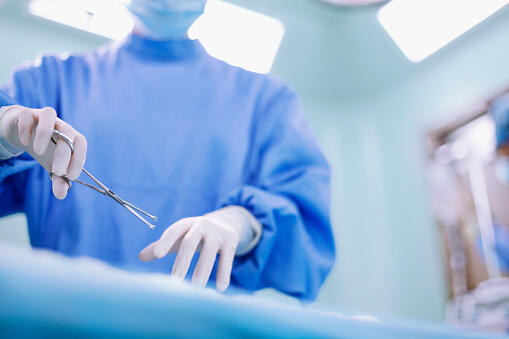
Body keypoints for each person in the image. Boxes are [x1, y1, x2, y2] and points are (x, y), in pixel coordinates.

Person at [0, 0, 334, 301]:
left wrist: (245, 223)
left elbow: (307, 246)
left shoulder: (265, 102)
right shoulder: (50, 83)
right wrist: (4, 135)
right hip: (66, 326)